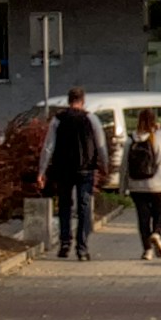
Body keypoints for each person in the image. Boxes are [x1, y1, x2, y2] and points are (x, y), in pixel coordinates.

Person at [39, 90, 105, 260]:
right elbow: (101, 144)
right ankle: (82, 248)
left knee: (64, 206)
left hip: (63, 169)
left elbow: (48, 147)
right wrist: (105, 164)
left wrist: (42, 170)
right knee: (83, 207)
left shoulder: (58, 119)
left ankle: (65, 243)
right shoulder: (91, 119)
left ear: (69, 101)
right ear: (83, 101)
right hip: (85, 169)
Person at [122, 121, 161, 260]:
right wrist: (159, 131)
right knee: (159, 213)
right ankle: (156, 233)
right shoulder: (159, 136)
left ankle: (147, 250)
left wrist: (122, 188)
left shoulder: (131, 139)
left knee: (143, 218)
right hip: (158, 184)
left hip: (136, 185)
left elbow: (124, 164)